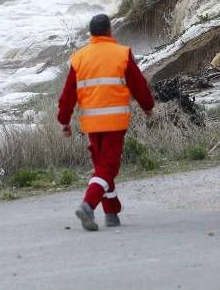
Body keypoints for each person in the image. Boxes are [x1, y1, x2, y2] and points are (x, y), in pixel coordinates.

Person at [58, 14, 155, 230]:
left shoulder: (79, 57)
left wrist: (64, 120)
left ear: (91, 34)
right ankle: (88, 205)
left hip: (91, 123)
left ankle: (111, 213)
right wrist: (148, 107)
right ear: (110, 31)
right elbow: (138, 85)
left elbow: (68, 94)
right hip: (115, 122)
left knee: (103, 167)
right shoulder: (121, 53)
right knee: (108, 168)